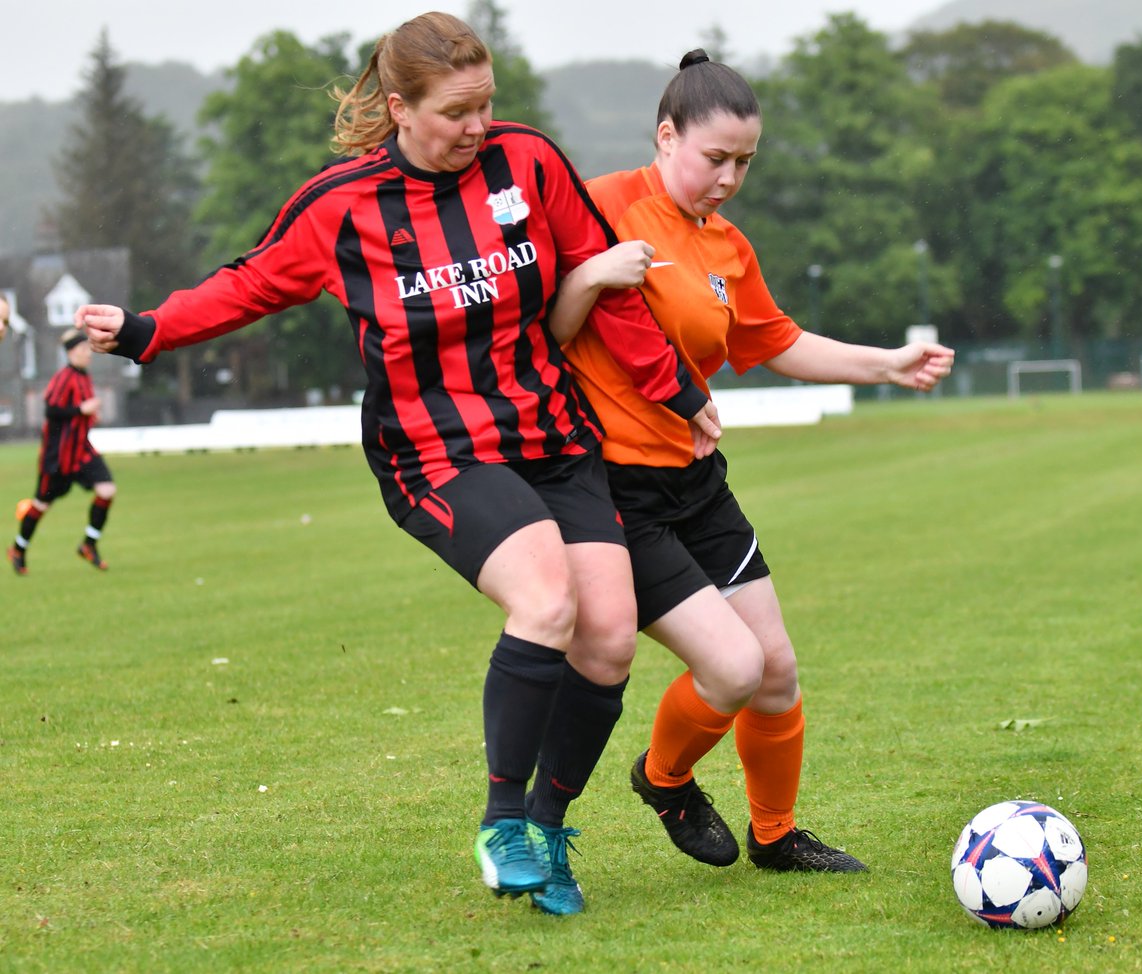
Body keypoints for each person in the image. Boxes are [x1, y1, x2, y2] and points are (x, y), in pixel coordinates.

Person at [75, 13, 721, 917]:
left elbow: (600, 279)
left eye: (486, 105)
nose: (476, 126)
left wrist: (679, 392)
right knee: (546, 600)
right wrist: (145, 330)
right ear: (399, 108)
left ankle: (546, 830)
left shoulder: (529, 163)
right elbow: (251, 283)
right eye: (457, 111)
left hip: (553, 438)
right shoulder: (343, 204)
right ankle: (501, 827)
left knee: (609, 638)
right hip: (436, 450)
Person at [550, 50, 955, 875]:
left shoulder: (727, 246)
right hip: (618, 492)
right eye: (715, 158)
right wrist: (592, 272)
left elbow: (777, 342)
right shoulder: (599, 206)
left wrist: (888, 362)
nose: (730, 177)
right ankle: (664, 780)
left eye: (745, 162)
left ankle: (775, 836)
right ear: (666, 136)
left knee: (776, 672)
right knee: (731, 668)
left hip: (697, 484)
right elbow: (543, 333)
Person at [8, 328, 117, 575]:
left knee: (107, 489)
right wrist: (81, 409)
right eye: (83, 350)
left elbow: (81, 412)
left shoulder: (84, 376)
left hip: (82, 451)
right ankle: (18, 548)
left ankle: (88, 544)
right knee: (41, 504)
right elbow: (51, 411)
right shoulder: (64, 377)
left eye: (88, 349)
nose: (88, 354)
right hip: (58, 456)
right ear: (71, 353)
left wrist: (89, 414)